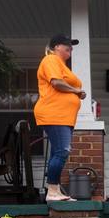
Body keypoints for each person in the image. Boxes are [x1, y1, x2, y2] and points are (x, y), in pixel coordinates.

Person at [34, 33, 86, 202]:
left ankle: (55, 191)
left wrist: (76, 93)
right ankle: (52, 192)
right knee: (63, 151)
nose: (70, 49)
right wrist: (76, 91)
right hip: (53, 114)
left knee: (58, 152)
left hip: (64, 117)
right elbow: (56, 83)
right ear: (56, 47)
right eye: (67, 46)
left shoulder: (61, 65)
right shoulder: (51, 60)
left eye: (71, 47)